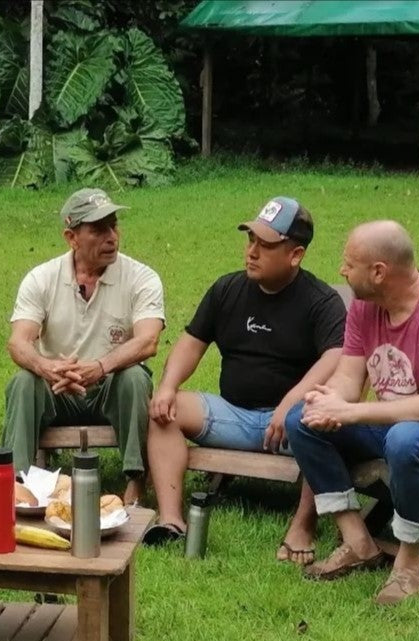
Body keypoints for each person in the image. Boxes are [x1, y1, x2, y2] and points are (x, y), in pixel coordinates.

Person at [145, 196, 346, 558]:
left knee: (319, 421)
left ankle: (303, 525)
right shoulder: (227, 289)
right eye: (250, 239)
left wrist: (291, 401)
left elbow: (337, 355)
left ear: (295, 254)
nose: (251, 251)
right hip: (232, 414)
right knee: (164, 411)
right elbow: (191, 343)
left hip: (290, 427)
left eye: (265, 245)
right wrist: (167, 386)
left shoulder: (321, 301)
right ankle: (173, 519)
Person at [286, 220, 419, 604]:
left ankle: (409, 567)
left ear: (379, 272)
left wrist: (350, 413)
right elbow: (348, 381)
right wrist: (328, 401)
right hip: (396, 427)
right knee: (302, 420)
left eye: (349, 263)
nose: (342, 271)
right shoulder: (365, 308)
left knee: (407, 437)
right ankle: (357, 540)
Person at [2, 188, 165, 504]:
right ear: (71, 237)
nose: (111, 237)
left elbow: (148, 340)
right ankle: (14, 483)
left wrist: (101, 367)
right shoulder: (42, 278)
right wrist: (47, 368)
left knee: (134, 377)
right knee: (23, 382)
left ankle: (135, 480)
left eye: (114, 225)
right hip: (59, 388)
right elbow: (18, 342)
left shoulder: (141, 277)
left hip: (110, 388)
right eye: (98, 229)